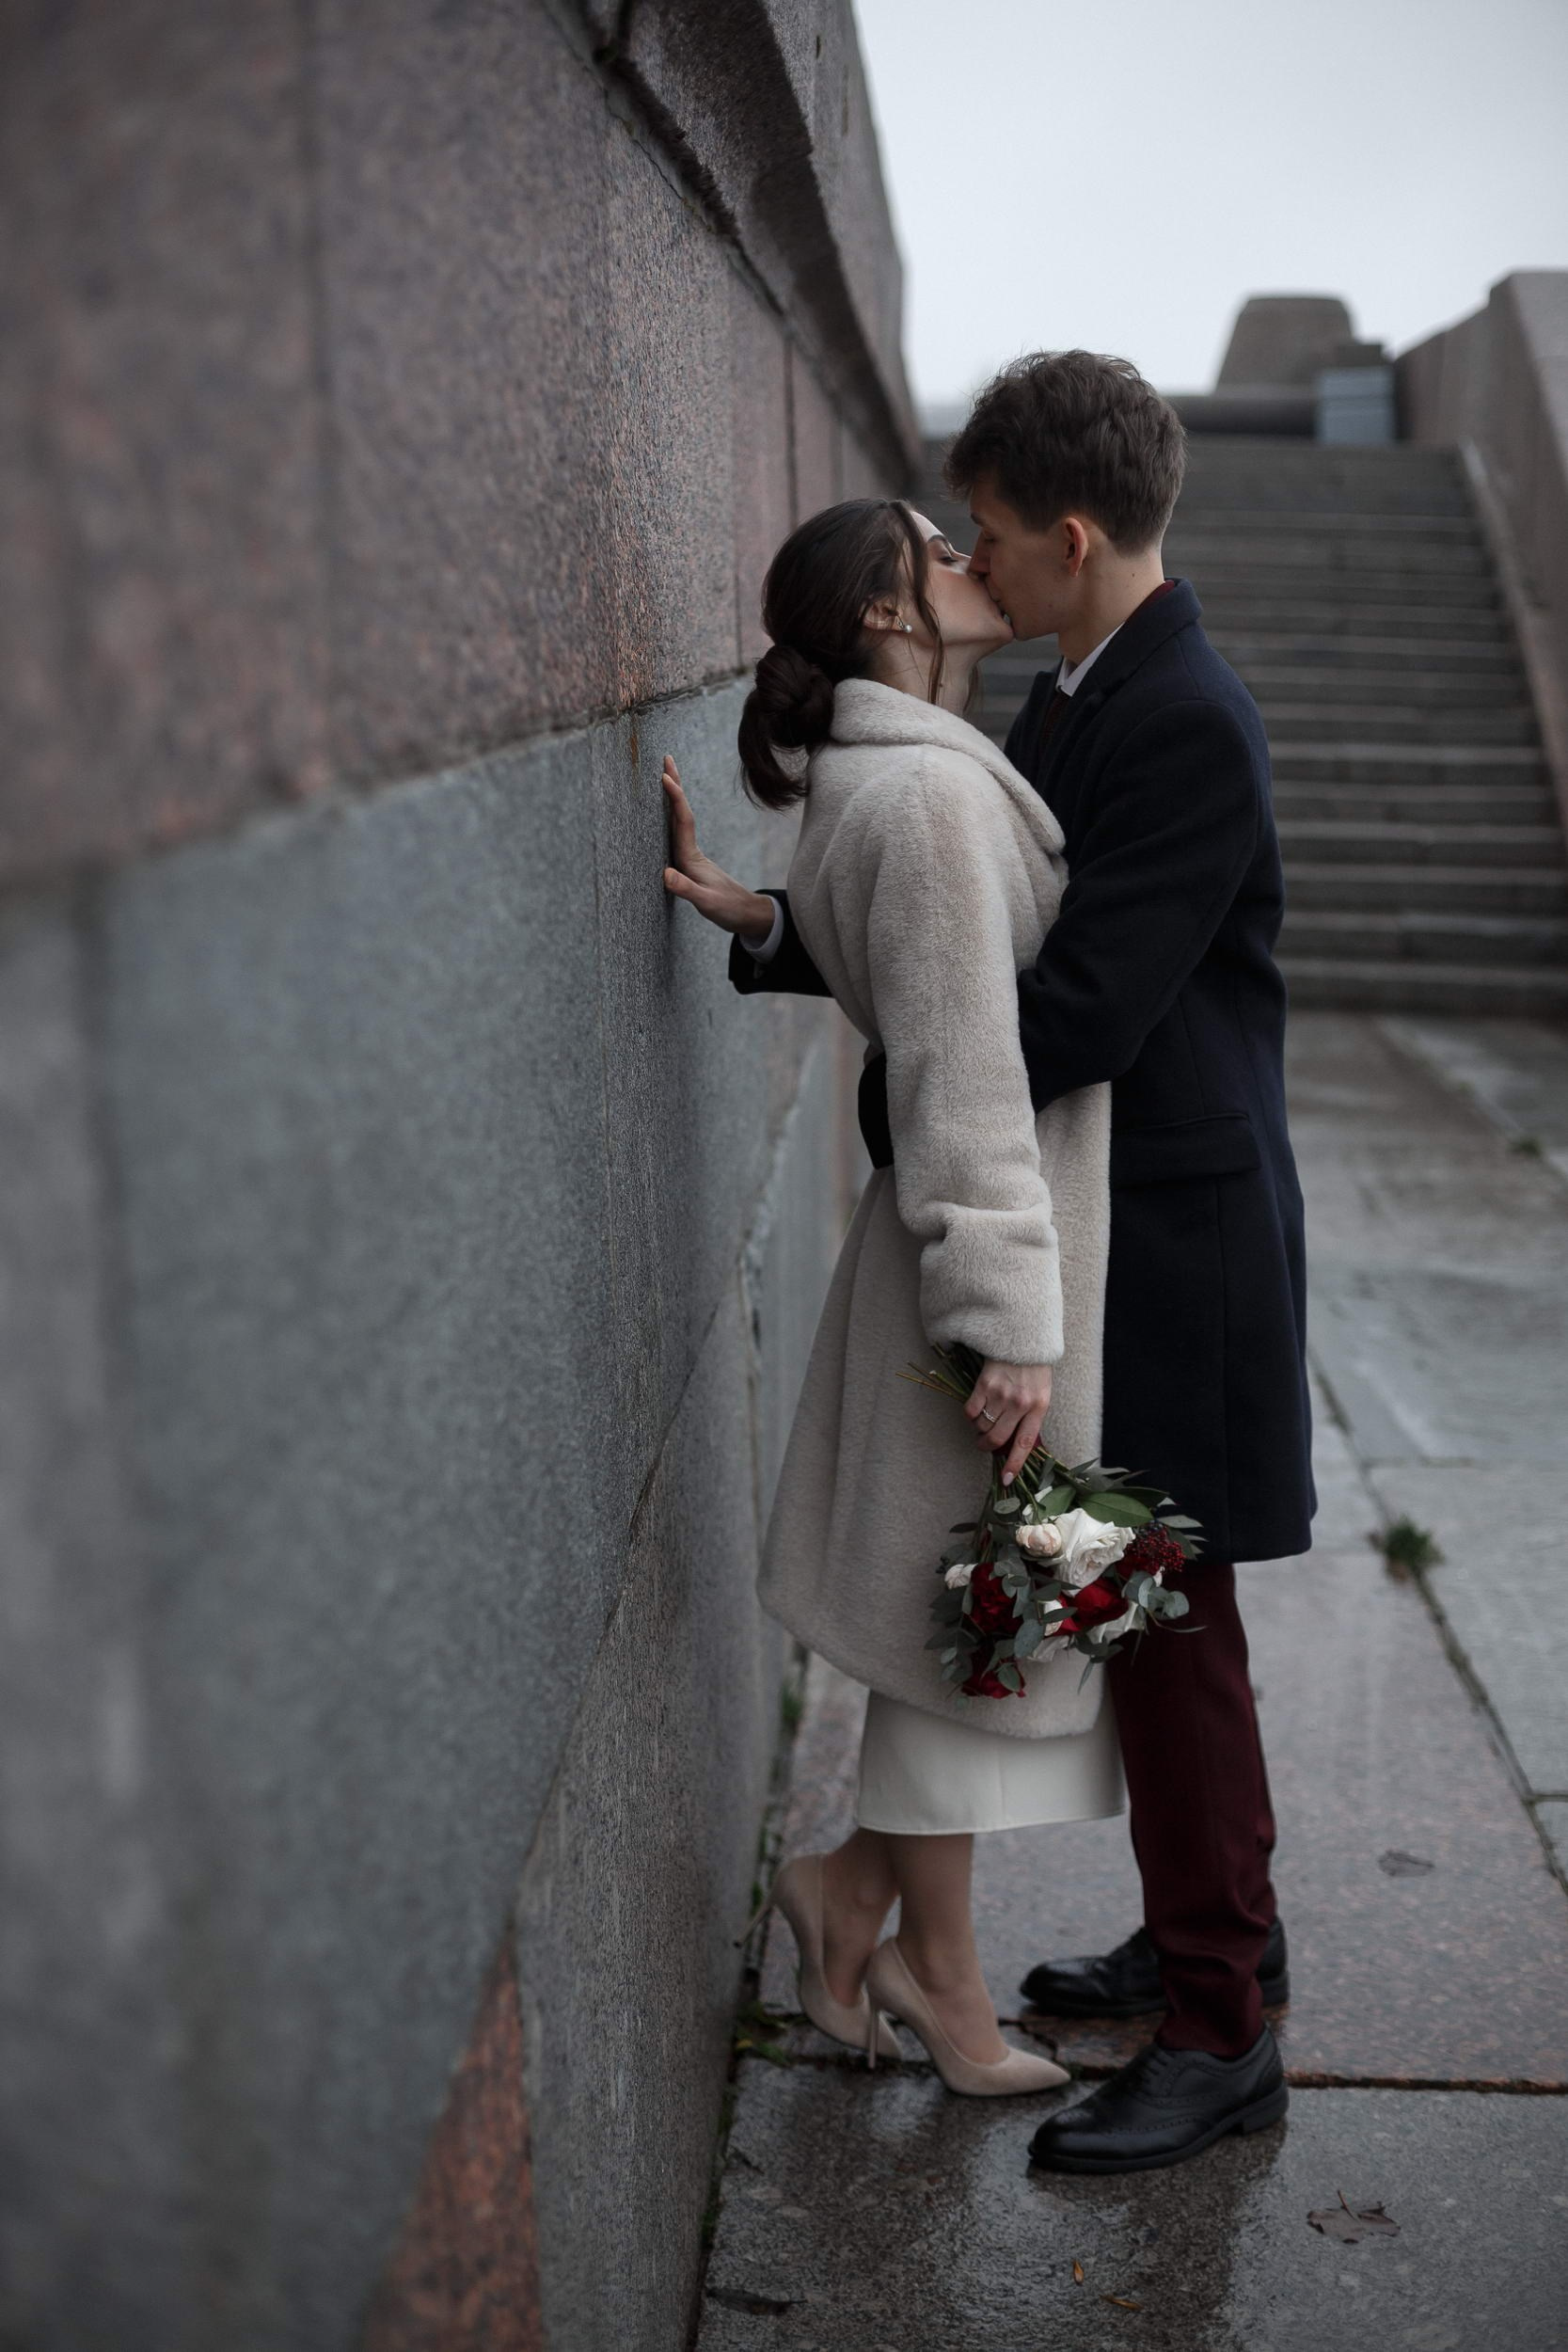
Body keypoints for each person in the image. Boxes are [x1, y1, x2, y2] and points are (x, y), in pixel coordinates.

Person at [669, 351, 1312, 2173]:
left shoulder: (1182, 717)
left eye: (997, 534)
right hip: (1108, 1223)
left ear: (1076, 537)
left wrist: (907, 1072)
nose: (978, 560)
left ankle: (1222, 2025)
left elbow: (1071, 1002)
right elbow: (983, 938)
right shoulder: (1082, 691)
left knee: (1164, 1634)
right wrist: (789, 924)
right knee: (1112, 1622)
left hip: (1173, 1243)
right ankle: (1207, 1940)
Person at [664, 494, 1119, 2098]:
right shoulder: (924, 796)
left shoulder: (903, 773)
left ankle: (853, 1903)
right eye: (935, 550)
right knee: (964, 1632)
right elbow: (958, 1071)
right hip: (975, 1264)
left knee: (972, 1622)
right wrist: (1007, 1317)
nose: (966, 562)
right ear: (878, 612)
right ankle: (945, 1986)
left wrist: (762, 919)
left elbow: (917, 993)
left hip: (961, 1248)